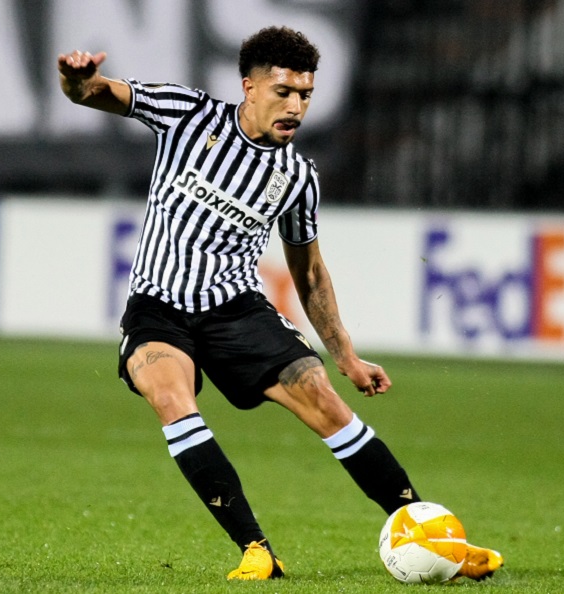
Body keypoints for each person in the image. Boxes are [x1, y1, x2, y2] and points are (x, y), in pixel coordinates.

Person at [57, 26, 503, 581]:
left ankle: (436, 539)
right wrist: (77, 80)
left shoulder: (296, 177)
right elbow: (95, 93)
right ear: (249, 87)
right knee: (172, 397)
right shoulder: (187, 115)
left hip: (236, 310)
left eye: (306, 95)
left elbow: (309, 272)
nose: (296, 107)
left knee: (326, 402)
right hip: (158, 308)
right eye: (283, 92)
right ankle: (257, 550)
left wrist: (346, 355)